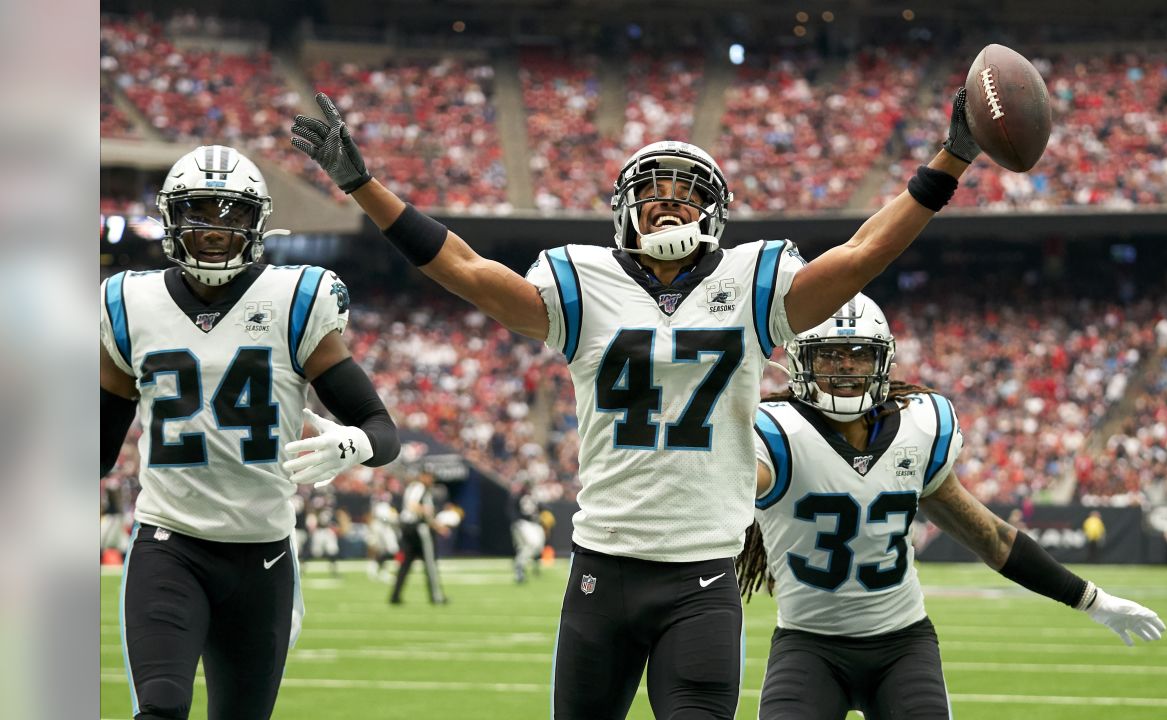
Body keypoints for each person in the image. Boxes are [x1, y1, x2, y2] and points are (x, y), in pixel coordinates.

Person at [293, 86, 979, 719]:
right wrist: (363, 185)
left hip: (702, 575)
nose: (669, 204)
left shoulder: (753, 281)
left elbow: (861, 255)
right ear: (627, 208)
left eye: (686, 192)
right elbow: (469, 272)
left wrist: (949, 161)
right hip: (603, 567)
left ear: (713, 209)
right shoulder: (582, 281)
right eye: (654, 193)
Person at [735, 294, 1166, 720]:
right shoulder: (773, 433)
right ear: (799, 362)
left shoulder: (919, 429)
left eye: (859, 354)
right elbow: (728, 482)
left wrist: (1091, 600)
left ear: (882, 362)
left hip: (901, 646)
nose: (846, 366)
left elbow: (993, 538)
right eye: (829, 356)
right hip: (808, 646)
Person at [99, 144, 402, 720]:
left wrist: (355, 444)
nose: (214, 229)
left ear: (257, 221)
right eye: (199, 211)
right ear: (171, 219)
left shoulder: (294, 299)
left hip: (261, 557)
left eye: (230, 213)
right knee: (160, 708)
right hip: (170, 544)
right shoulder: (128, 302)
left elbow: (380, 428)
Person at [389, 470, 449, 605]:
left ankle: (395, 596)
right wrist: (426, 511)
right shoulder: (419, 487)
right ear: (423, 476)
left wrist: (438, 526)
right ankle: (436, 596)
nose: (431, 480)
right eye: (429, 476)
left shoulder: (413, 487)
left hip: (409, 529)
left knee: (406, 563)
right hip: (418, 529)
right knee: (430, 563)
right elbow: (413, 506)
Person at [509, 481, 547, 583]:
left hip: (534, 524)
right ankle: (519, 566)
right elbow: (512, 511)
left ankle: (526, 565)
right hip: (523, 523)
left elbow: (542, 509)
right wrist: (516, 522)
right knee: (531, 544)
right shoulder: (517, 497)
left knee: (537, 547)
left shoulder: (534, 498)